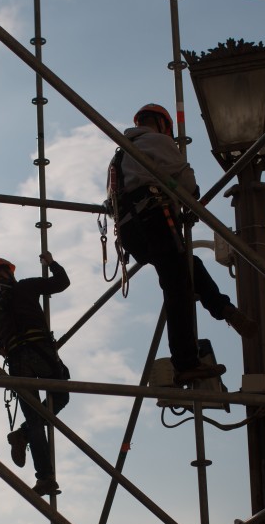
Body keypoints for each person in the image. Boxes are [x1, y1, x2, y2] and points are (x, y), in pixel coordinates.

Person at [109, 103, 256, 385]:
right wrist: (189, 196)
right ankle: (186, 362)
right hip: (154, 218)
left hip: (130, 232)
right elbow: (187, 182)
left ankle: (222, 308)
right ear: (164, 126)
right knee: (178, 288)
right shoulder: (157, 141)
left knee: (187, 266)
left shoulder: (119, 154)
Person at [0, 252, 70, 496]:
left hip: (18, 363)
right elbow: (62, 283)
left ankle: (44, 478)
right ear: (5, 272)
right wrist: (51, 263)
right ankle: (22, 435)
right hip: (41, 354)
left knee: (35, 421)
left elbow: (1, 347)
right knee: (60, 397)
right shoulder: (26, 288)